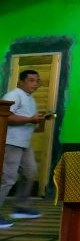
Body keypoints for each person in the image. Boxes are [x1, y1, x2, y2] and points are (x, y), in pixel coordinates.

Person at [1, 70, 54, 228]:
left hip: (24, 144)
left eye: (37, 81)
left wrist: (38, 119)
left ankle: (20, 207)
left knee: (30, 173)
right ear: (21, 82)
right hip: (10, 142)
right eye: (31, 80)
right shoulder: (13, 95)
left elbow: (26, 120)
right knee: (7, 179)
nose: (35, 84)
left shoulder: (30, 99)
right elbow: (5, 117)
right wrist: (30, 119)